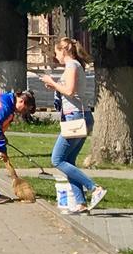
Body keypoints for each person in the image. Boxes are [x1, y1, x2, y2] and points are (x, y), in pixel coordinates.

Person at [40, 37, 105, 213]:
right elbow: (70, 91)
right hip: (79, 117)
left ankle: (95, 188)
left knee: (57, 159)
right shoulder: (74, 66)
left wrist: (53, 82)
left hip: (76, 118)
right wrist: (54, 87)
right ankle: (80, 203)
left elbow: (69, 91)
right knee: (69, 161)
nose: (56, 56)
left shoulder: (72, 66)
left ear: (64, 51)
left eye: (57, 52)